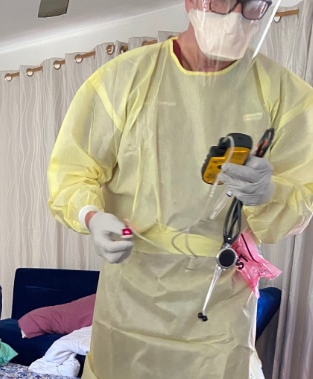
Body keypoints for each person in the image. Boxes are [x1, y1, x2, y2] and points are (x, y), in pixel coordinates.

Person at [47, 0, 313, 378]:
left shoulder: (286, 95)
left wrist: (270, 194)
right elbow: (73, 172)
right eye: (222, 0)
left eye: (253, 4)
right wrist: (90, 215)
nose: (236, 14)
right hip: (131, 297)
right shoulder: (124, 79)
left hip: (218, 303)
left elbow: (301, 194)